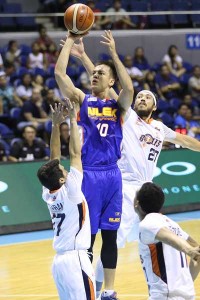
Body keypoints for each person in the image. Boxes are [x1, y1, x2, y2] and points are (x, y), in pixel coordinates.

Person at [69, 38, 200, 297]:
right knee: (113, 241)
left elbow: (186, 141)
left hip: (146, 191)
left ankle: (177, 286)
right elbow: (105, 81)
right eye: (139, 96)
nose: (141, 98)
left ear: (154, 106)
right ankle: (97, 291)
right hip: (124, 186)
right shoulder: (126, 116)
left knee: (159, 239)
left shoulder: (160, 129)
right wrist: (84, 58)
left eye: (146, 97)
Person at [55, 30, 133, 300]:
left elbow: (129, 89)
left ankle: (108, 291)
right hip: (88, 174)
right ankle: (86, 289)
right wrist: (70, 40)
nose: (95, 75)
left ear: (111, 80)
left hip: (112, 175)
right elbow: (60, 75)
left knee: (110, 236)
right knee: (86, 239)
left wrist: (113, 54)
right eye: (93, 72)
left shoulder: (118, 106)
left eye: (101, 73)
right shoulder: (82, 99)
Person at [37, 101, 95, 300]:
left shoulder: (48, 192)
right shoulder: (72, 191)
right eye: (63, 170)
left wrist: (54, 126)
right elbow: (75, 153)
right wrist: (72, 119)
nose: (65, 169)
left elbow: (54, 159)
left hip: (59, 263)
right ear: (62, 179)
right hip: (76, 259)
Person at [134, 182, 200, 300]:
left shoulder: (147, 224)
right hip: (187, 295)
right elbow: (197, 252)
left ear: (136, 203)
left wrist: (189, 250)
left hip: (165, 296)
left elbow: (168, 237)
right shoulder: (172, 223)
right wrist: (187, 282)